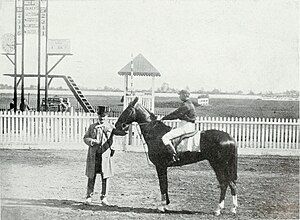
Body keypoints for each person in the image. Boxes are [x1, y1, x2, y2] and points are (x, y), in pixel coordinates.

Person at [83, 106, 115, 205]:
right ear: (98, 116)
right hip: (94, 156)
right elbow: (85, 138)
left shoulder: (110, 127)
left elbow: (113, 140)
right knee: (91, 176)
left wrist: (111, 145)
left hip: (104, 156)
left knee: (105, 177)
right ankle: (89, 197)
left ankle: (104, 198)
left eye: (104, 116)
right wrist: (93, 141)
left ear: (107, 117)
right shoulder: (92, 127)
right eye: (100, 116)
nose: (102, 118)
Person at [161, 89, 196, 162]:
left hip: (186, 126)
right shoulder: (189, 103)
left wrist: (164, 118)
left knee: (165, 137)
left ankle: (174, 155)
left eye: (180, 95)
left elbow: (176, 114)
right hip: (187, 125)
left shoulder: (186, 105)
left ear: (184, 95)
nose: (179, 96)